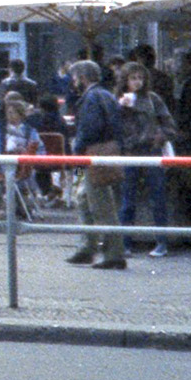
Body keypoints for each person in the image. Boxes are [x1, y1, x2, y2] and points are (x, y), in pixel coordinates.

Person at [66, 60, 126, 269]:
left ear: (82, 78)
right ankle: (88, 247)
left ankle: (113, 254)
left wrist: (76, 152)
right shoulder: (107, 95)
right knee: (83, 198)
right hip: (104, 153)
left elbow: (89, 130)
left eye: (75, 78)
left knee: (99, 204)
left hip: (90, 155)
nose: (73, 82)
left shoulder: (90, 98)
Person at [114, 60, 177, 257]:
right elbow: (112, 126)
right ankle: (125, 242)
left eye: (140, 78)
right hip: (130, 153)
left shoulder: (153, 99)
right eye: (133, 78)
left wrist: (161, 136)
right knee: (127, 199)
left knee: (158, 197)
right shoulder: (117, 100)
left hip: (151, 150)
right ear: (125, 80)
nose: (137, 82)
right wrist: (119, 108)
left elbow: (169, 125)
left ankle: (161, 242)